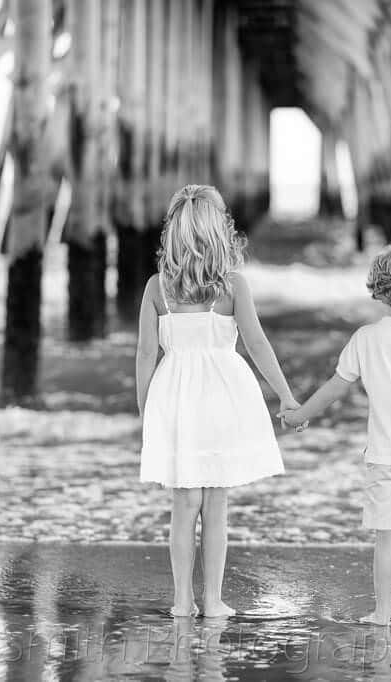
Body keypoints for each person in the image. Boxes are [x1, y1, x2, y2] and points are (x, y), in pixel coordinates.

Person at [279, 240, 391, 629]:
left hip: (384, 456)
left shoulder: (366, 338)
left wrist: (298, 416)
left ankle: (383, 612)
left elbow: (334, 388)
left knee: (387, 539)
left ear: (378, 287)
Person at [137, 184, 298, 618]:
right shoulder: (232, 286)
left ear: (173, 234)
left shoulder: (158, 289)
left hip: (176, 400)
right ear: (218, 232)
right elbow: (258, 345)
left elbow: (146, 357)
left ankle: (181, 601)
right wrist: (285, 396)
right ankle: (212, 600)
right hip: (224, 399)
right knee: (216, 504)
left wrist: (145, 415)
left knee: (184, 503)